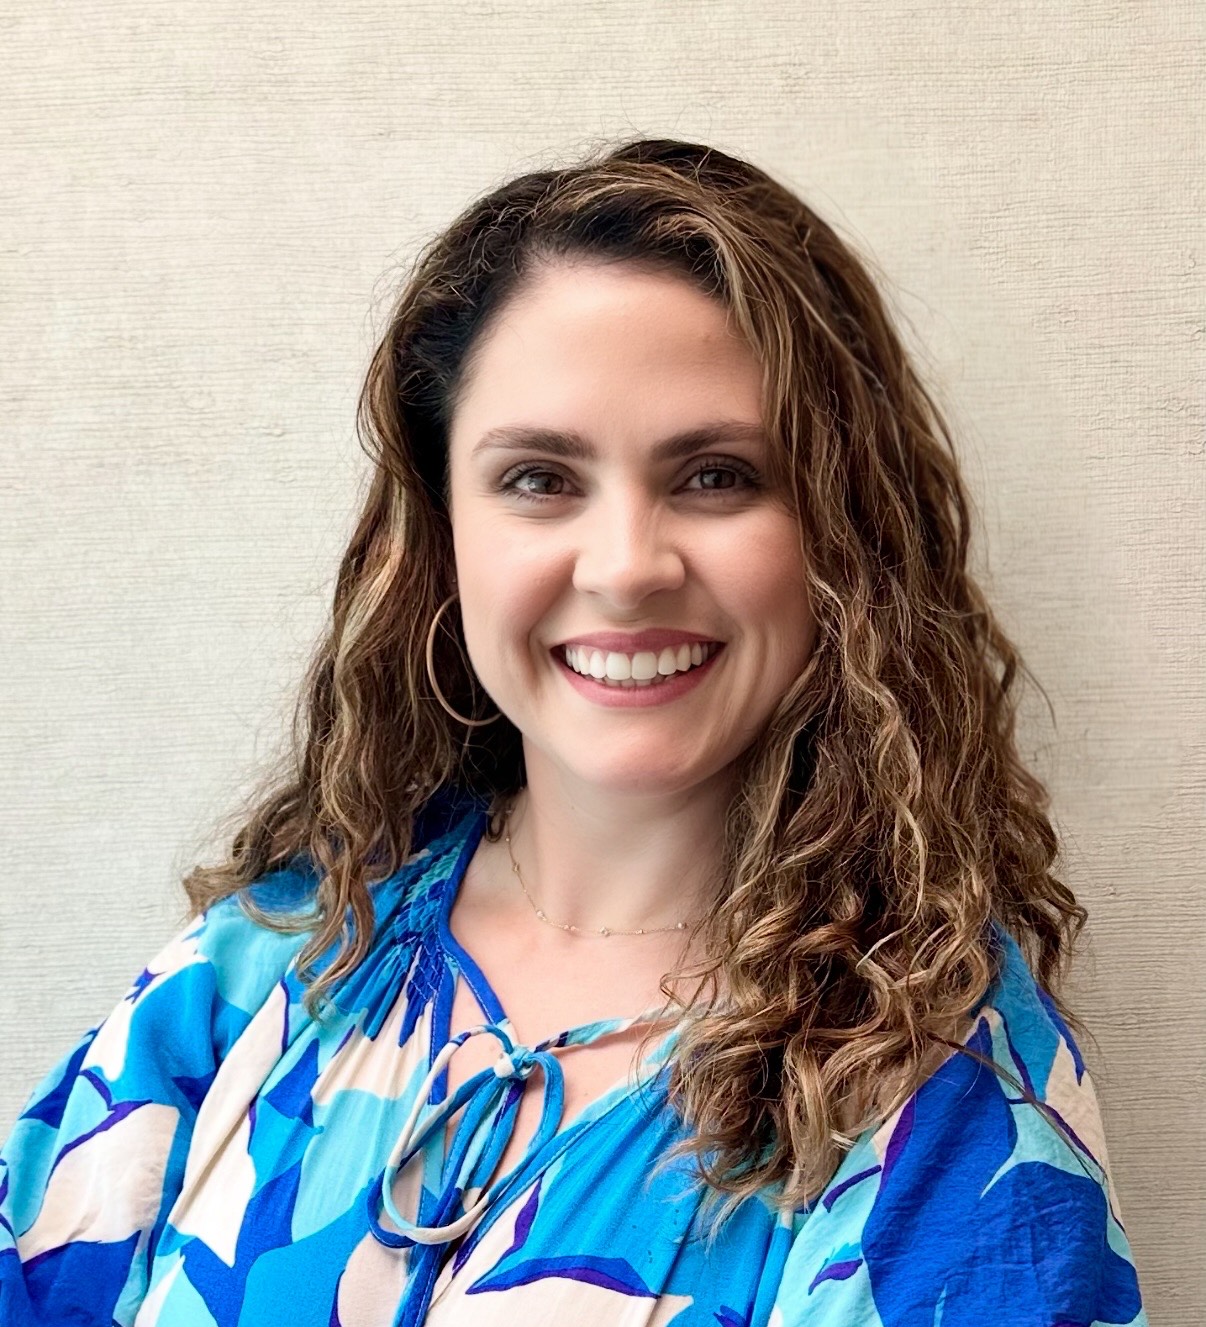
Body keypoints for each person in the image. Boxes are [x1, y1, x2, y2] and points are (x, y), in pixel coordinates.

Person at [0, 138, 1146, 1327]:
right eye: (541, 479)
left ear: (840, 537)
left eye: (715, 475)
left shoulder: (941, 1092)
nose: (627, 567)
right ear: (440, 538)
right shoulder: (261, 972)